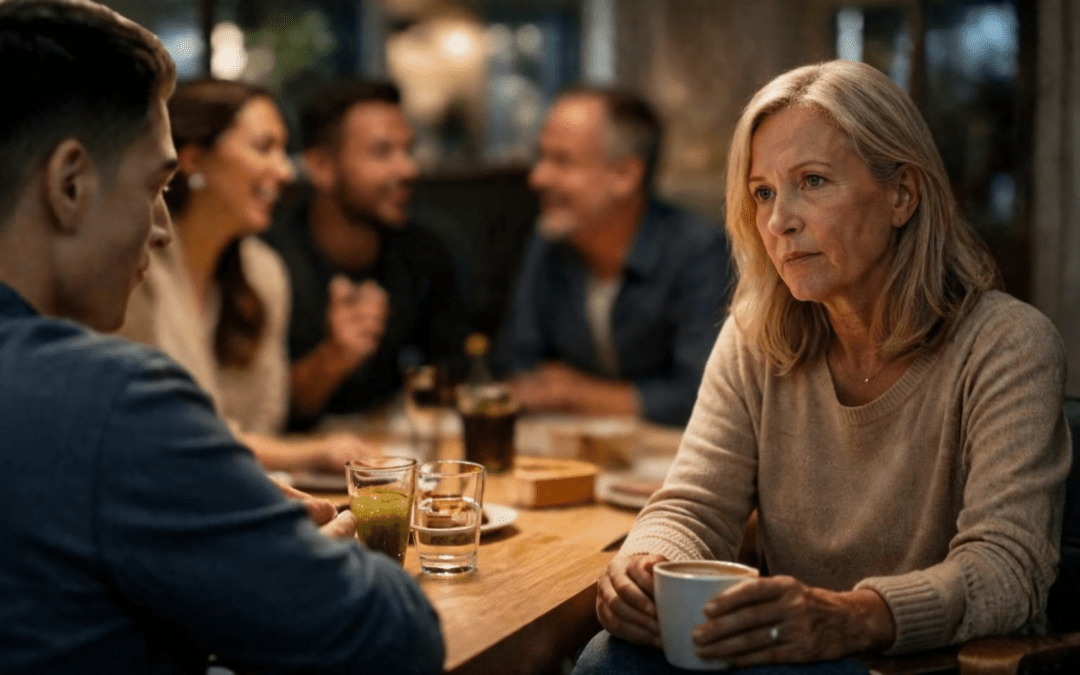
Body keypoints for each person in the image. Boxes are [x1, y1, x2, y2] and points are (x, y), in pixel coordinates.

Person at [575, 60, 1071, 673]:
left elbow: (1007, 572)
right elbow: (693, 508)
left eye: (812, 181)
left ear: (902, 195)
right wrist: (645, 566)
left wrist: (853, 617)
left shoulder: (1009, 345)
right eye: (763, 192)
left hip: (921, 663)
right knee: (611, 655)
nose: (780, 220)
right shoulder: (756, 335)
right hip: (790, 654)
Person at [0, 1, 443, 672]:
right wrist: (318, 546)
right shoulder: (110, 401)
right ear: (69, 183)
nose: (159, 225)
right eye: (156, 185)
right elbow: (391, 638)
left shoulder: (256, 279)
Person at [119, 78, 373, 473]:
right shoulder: (132, 270)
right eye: (263, 147)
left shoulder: (263, 272)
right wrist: (313, 453)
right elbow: (157, 433)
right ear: (192, 159)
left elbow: (265, 422)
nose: (286, 170)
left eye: (283, 150)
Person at [493, 86, 729, 427]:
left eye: (562, 161)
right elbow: (516, 365)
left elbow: (706, 395)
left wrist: (576, 393)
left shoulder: (699, 251)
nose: (538, 177)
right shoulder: (550, 243)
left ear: (625, 176)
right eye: (540, 157)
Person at [264, 78, 470, 430]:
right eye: (382, 153)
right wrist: (335, 356)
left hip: (394, 459)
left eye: (408, 150)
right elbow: (262, 412)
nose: (407, 169)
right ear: (321, 167)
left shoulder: (424, 252)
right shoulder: (269, 261)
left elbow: (455, 377)